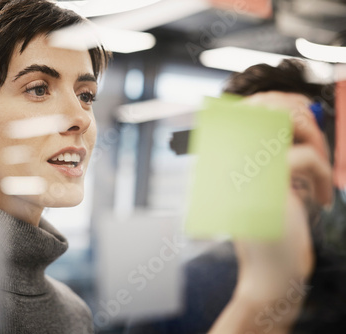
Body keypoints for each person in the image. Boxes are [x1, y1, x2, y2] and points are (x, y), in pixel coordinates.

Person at [0, 1, 332, 333]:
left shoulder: (71, 310)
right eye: (38, 88)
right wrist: (260, 301)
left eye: (85, 95)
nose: (80, 117)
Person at [129, 59, 346, 334]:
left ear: (326, 154)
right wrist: (257, 302)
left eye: (295, 138)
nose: (278, 159)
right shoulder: (172, 294)